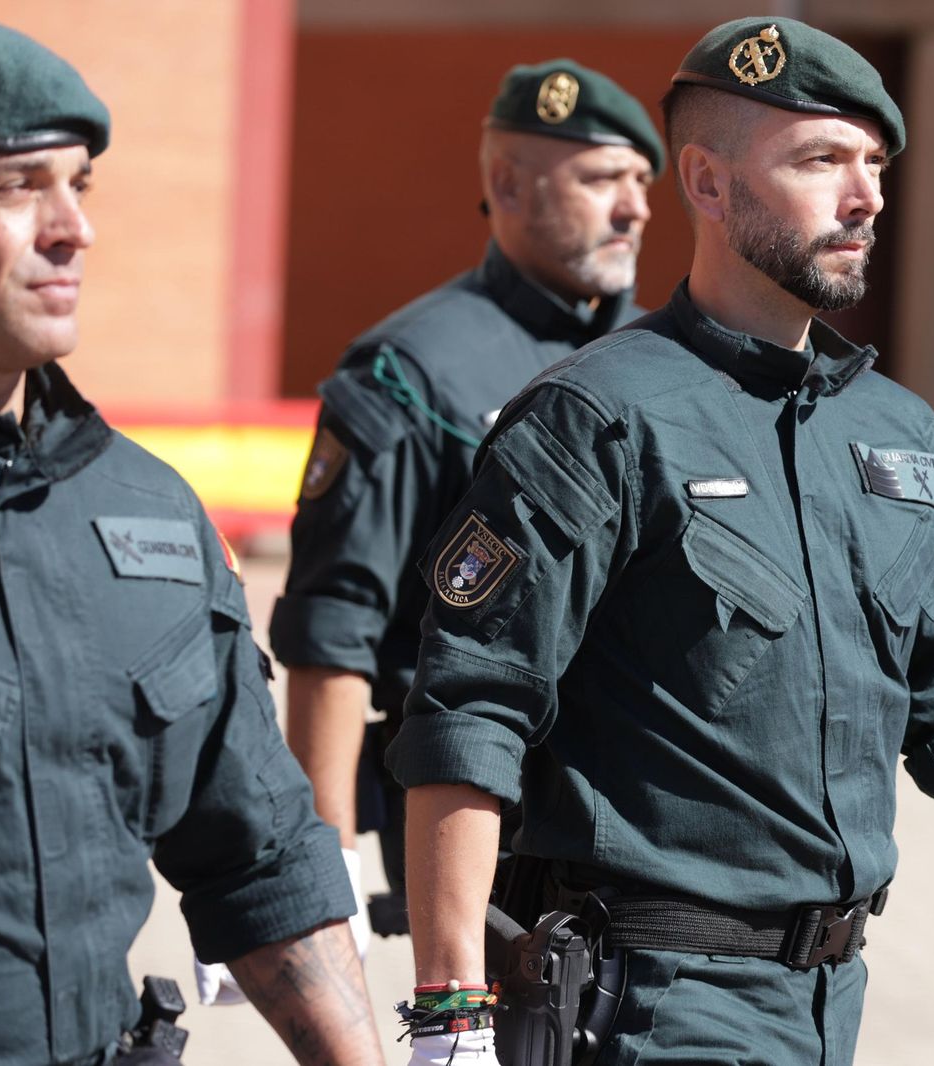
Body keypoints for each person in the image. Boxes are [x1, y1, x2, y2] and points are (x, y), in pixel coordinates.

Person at [388, 16, 934, 1066]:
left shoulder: (897, 434)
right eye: (820, 161)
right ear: (708, 185)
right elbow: (469, 705)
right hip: (643, 1005)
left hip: (827, 1003)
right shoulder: (598, 417)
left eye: (873, 165)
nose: (865, 198)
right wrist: (451, 1012)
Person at [0, 21, 382, 1065]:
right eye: (19, 185)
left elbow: (255, 854)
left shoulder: (147, 515)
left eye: (81, 184)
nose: (74, 227)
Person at [252, 59, 662, 996]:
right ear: (507, 183)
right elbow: (333, 627)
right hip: (484, 826)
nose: (635, 208)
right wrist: (328, 860)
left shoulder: (658, 360)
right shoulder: (414, 370)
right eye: (603, 179)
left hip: (638, 826)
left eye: (643, 183)